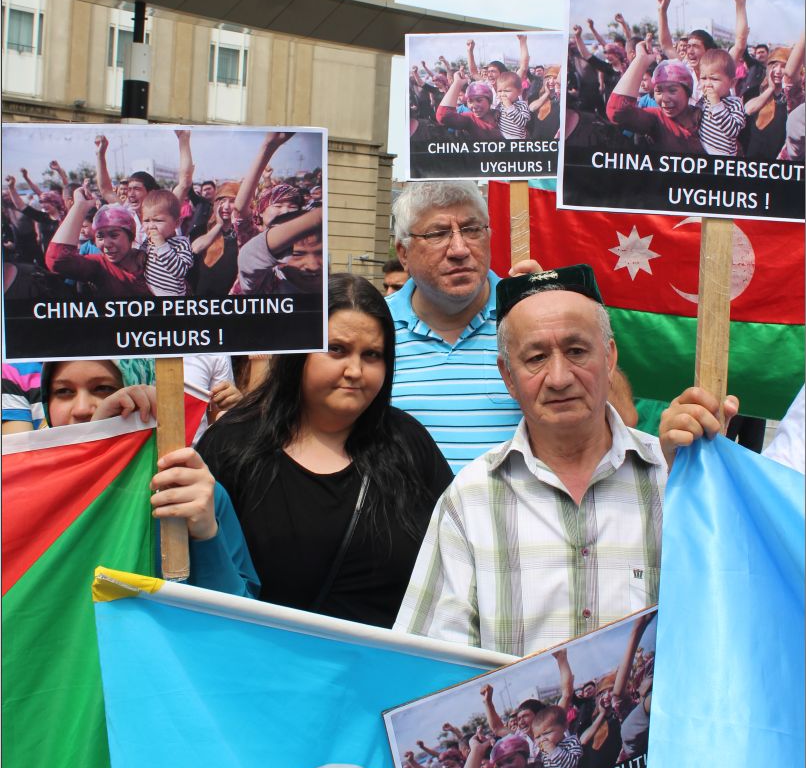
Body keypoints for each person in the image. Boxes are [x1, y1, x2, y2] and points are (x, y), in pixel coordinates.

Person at [396, 264, 737, 654]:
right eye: (536, 357)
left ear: (609, 358)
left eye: (576, 351)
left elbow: (732, 617)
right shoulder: (472, 499)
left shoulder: (673, 476)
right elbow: (430, 663)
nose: (559, 378)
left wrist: (712, 480)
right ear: (508, 376)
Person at [198, 274, 453, 627]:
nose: (355, 371)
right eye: (337, 349)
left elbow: (454, 557)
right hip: (263, 656)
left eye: (372, 355)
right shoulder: (233, 445)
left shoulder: (408, 442)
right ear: (299, 351)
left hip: (391, 661)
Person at [38, 356, 258, 597]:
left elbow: (241, 607)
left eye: (103, 388)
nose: (82, 409)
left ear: (141, 392)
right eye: (63, 391)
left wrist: (206, 535)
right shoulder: (26, 492)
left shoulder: (194, 492)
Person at [386, 181, 522, 472]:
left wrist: (563, 324)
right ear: (403, 254)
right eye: (437, 234)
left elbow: (614, 419)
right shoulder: (373, 329)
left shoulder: (528, 316)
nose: (459, 249)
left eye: (472, 230)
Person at [141, 189, 194, 296]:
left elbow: (180, 271)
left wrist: (162, 246)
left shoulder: (182, 244)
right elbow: (141, 256)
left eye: (158, 220)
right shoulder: (149, 240)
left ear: (177, 223)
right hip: (149, 290)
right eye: (146, 220)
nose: (151, 226)